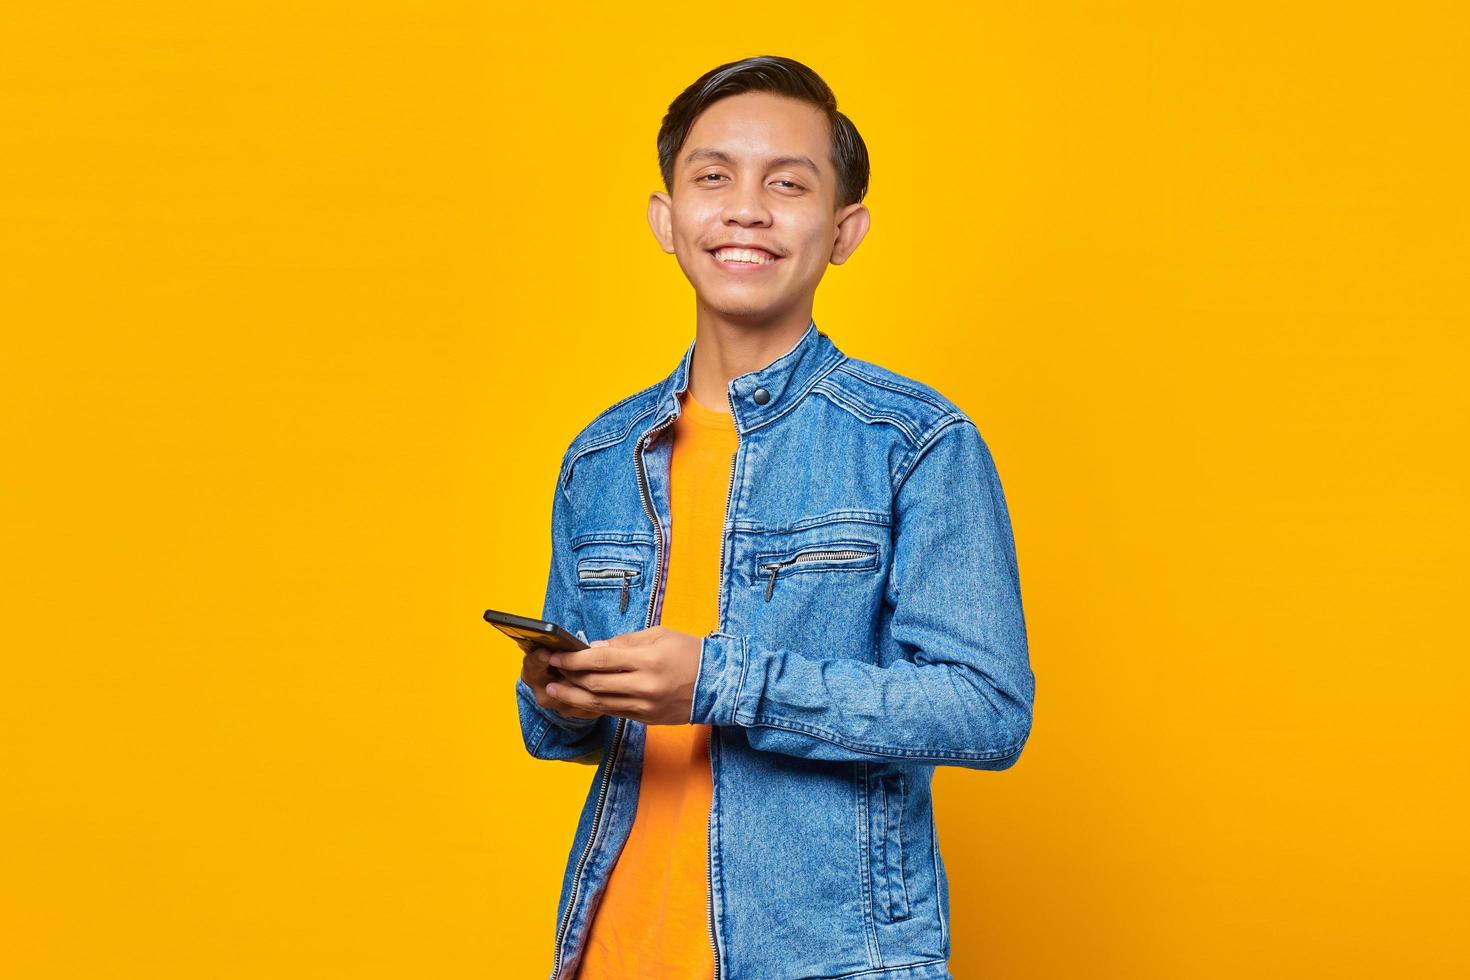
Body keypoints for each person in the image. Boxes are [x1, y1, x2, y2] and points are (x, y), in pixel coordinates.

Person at [514, 54, 1035, 980]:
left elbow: (986, 710)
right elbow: (569, 735)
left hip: (824, 958)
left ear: (844, 230)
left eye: (787, 184)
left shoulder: (915, 442)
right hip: (611, 948)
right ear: (667, 217)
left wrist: (722, 682)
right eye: (713, 176)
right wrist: (561, 694)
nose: (746, 207)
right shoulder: (602, 456)